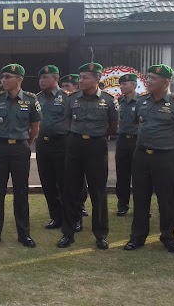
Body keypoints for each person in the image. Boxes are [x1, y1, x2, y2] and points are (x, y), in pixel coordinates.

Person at [123, 65, 174, 254]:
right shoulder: (142, 101)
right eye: (149, 77)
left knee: (167, 199)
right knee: (140, 197)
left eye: (153, 78)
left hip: (166, 157)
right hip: (142, 155)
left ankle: (168, 237)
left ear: (166, 81)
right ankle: (137, 237)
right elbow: (139, 123)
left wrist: (168, 144)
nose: (149, 81)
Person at [57, 62, 118, 250]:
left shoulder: (109, 100)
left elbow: (113, 125)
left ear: (97, 79)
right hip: (74, 144)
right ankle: (69, 232)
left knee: (98, 191)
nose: (80, 80)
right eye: (80, 77)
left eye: (84, 77)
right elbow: (66, 120)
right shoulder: (72, 98)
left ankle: (100, 234)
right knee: (71, 190)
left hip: (96, 146)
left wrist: (97, 135)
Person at [0, 64, 41, 248]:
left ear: (19, 79)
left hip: (20, 149)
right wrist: (4, 136)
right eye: (3, 77)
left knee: (21, 192)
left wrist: (23, 143)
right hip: (0, 147)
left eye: (8, 76)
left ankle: (24, 234)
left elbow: (35, 127)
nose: (4, 80)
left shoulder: (31, 100)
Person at [36, 65, 67, 229]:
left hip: (61, 143)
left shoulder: (67, 97)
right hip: (42, 144)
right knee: (47, 182)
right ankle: (55, 217)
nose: (41, 81)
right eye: (40, 78)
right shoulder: (36, 98)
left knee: (65, 182)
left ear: (55, 79)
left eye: (45, 78)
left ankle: (70, 217)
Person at [60, 73, 89, 219]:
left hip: (75, 140)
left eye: (68, 86)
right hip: (61, 140)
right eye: (63, 86)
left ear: (76, 87)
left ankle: (81, 205)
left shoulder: (79, 100)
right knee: (65, 176)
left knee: (80, 177)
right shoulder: (60, 100)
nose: (65, 89)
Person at [114, 73, 140, 216]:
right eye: (121, 84)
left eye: (125, 84)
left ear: (134, 85)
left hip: (137, 140)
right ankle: (122, 204)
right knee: (122, 174)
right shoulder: (118, 101)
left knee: (139, 175)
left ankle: (141, 205)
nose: (122, 87)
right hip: (122, 140)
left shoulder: (141, 101)